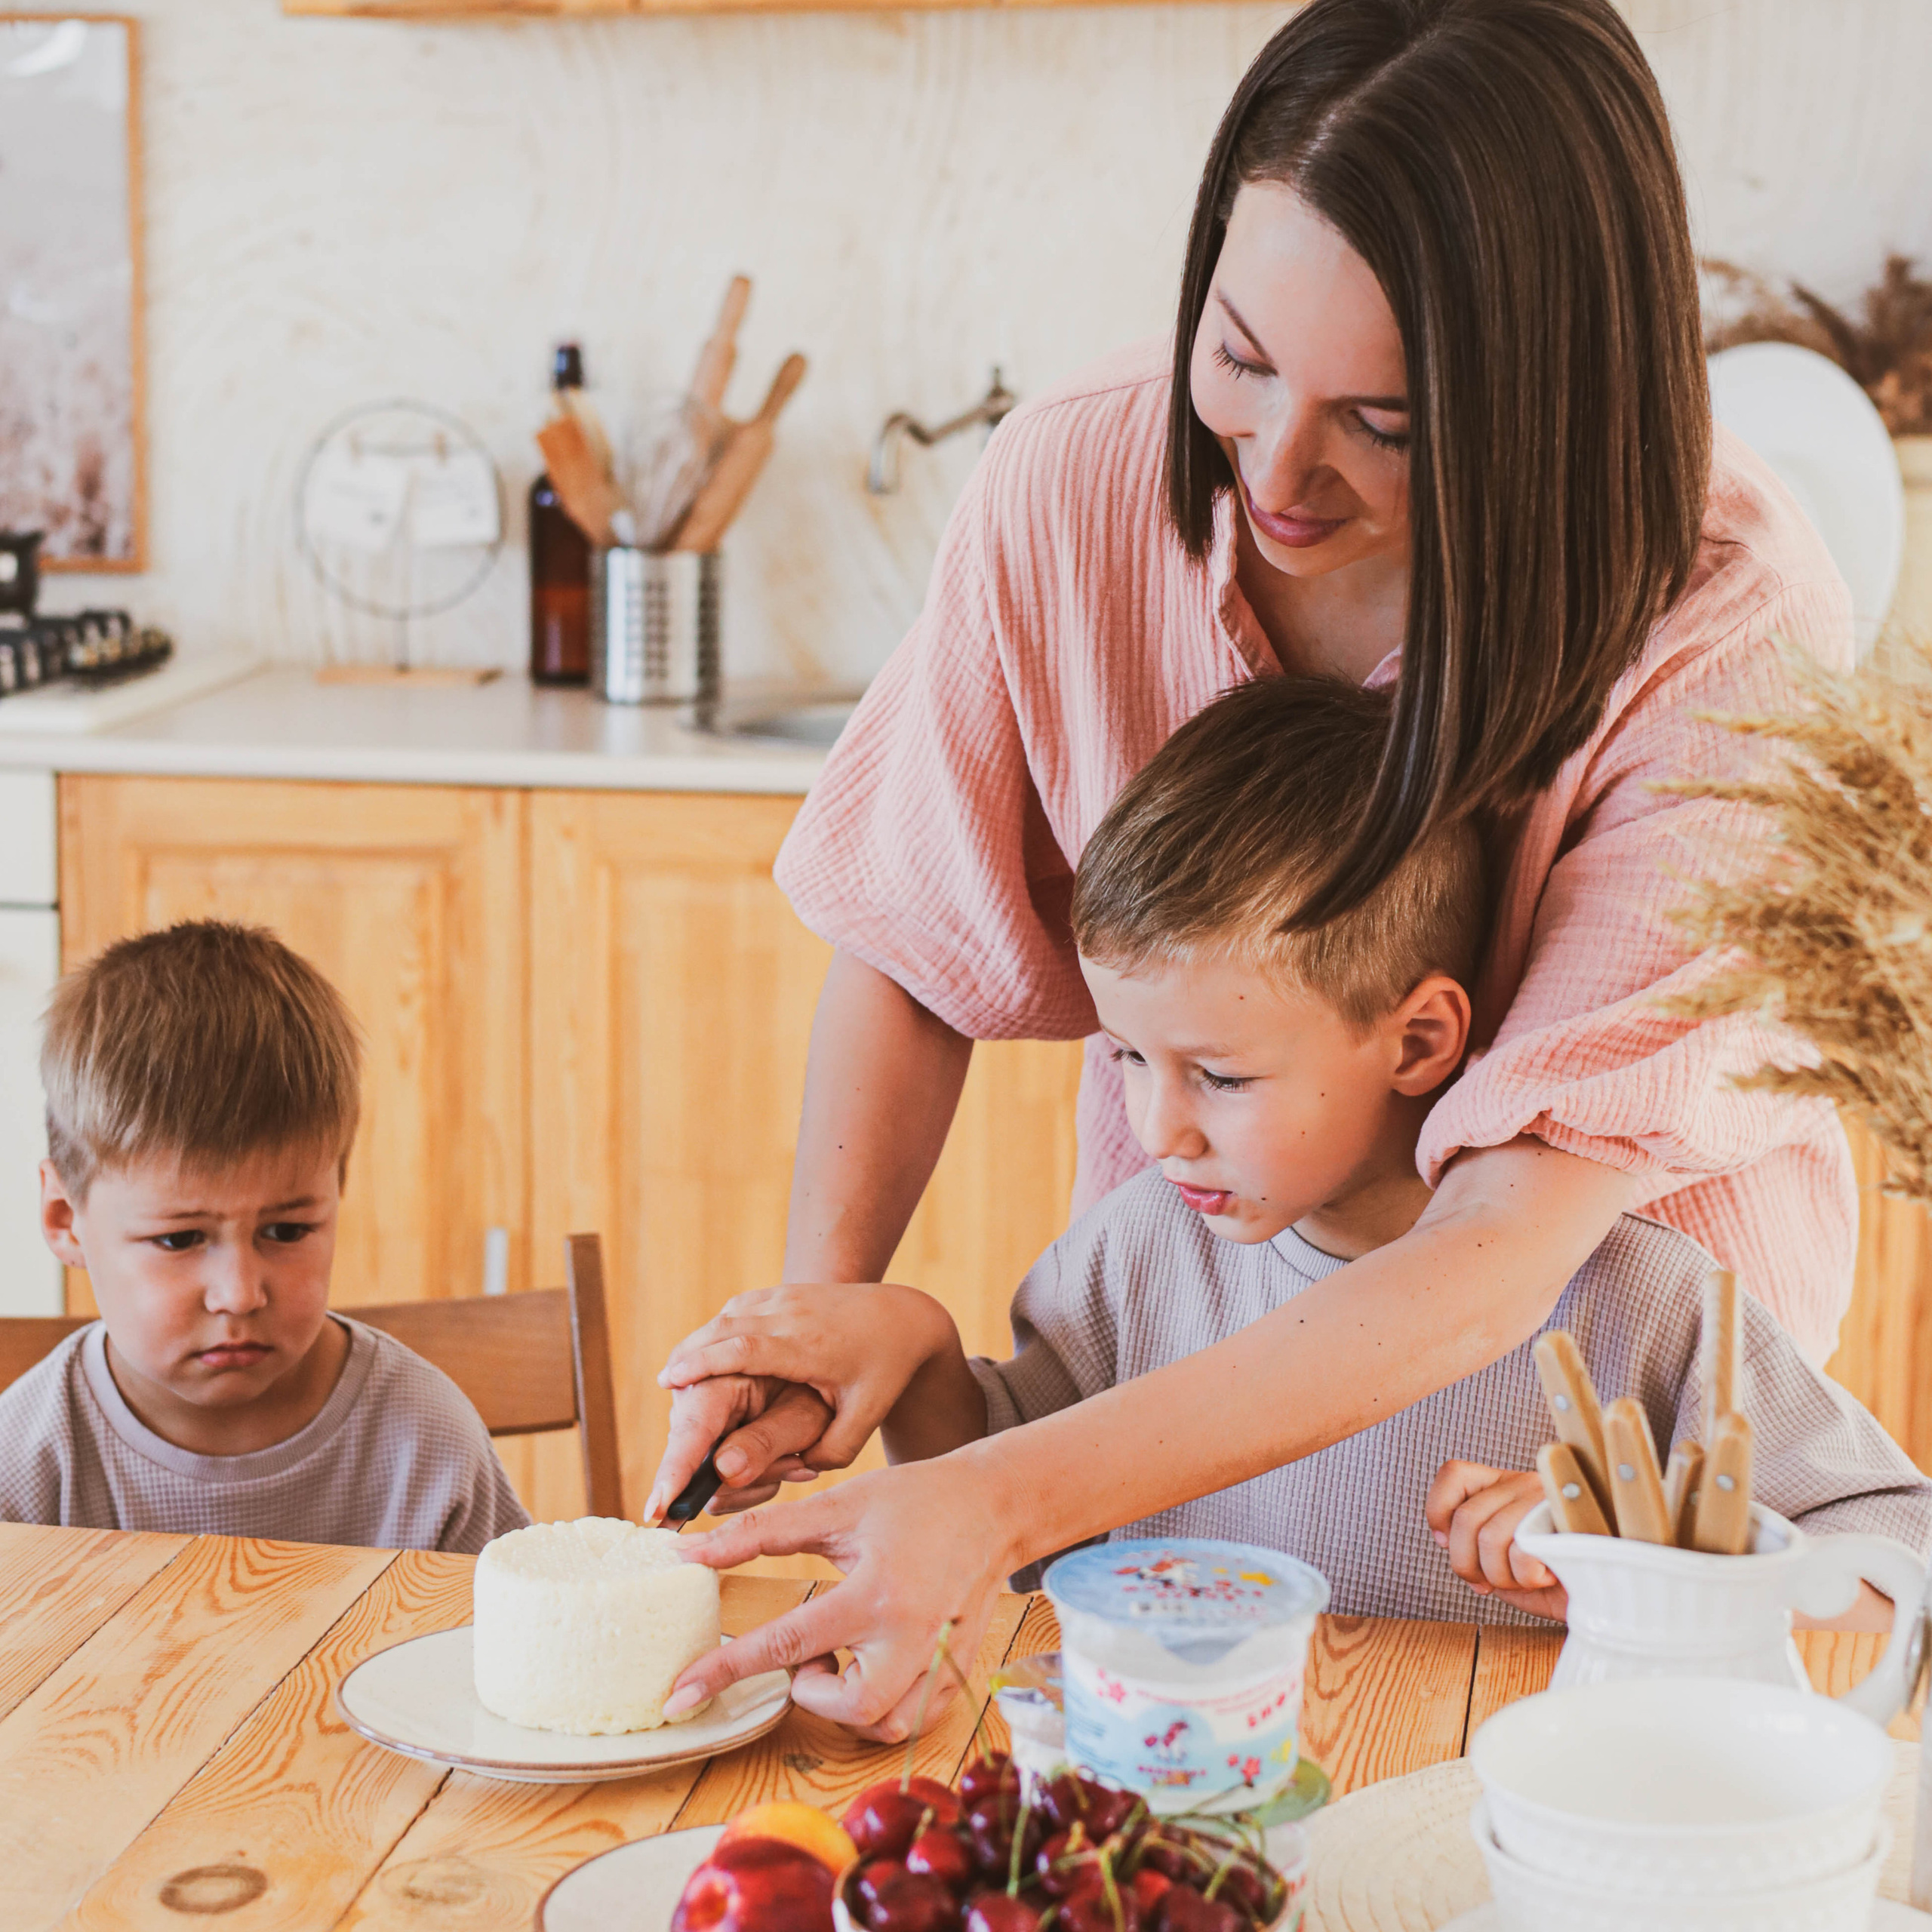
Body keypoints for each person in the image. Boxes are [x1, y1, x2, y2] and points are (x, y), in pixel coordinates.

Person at [650, 0, 1863, 1734]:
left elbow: (1503, 1244)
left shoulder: (1725, 614)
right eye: (1234, 356)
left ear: (1548, 398)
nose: (1273, 469)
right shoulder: (1063, 493)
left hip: (1586, 1484)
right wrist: (825, 1314)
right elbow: (919, 936)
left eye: (1380, 418)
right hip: (1186, 1485)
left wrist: (993, 1500)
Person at [654, 680, 1924, 1709]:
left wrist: (1659, 1562)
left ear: (1420, 1043)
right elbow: (1019, 1544)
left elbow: (1902, 1569)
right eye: (1129, 1058)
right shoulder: (1137, 1254)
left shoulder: (1639, 1301)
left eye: (1221, 1075)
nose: (1158, 1132)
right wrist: (920, 1354)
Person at [0, 921, 531, 1553]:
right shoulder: (26, 1464)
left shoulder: (427, 1439)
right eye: (180, 1240)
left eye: (285, 1230)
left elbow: (506, 1643)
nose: (240, 1294)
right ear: (65, 1218)